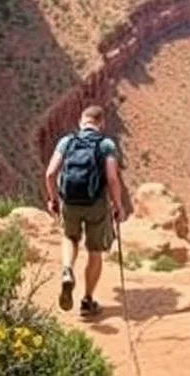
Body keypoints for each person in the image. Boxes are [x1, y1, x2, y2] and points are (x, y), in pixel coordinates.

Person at [44, 104, 126, 317]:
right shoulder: (106, 144)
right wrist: (118, 206)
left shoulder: (67, 141)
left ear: (82, 122)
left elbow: (50, 174)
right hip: (96, 204)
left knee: (70, 237)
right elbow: (112, 178)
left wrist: (53, 200)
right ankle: (87, 301)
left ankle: (67, 270)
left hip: (69, 201)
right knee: (94, 251)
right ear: (101, 123)